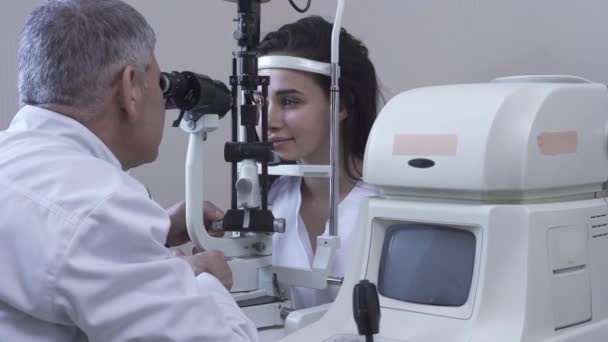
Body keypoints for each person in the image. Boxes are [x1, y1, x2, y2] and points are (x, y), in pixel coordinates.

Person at [0, 0, 257, 341]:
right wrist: (201, 280)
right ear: (130, 86)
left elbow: (55, 248)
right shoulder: (98, 206)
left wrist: (151, 239)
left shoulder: (17, 161)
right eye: (160, 83)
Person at [256, 16, 381, 309]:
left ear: (342, 104)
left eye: (289, 102)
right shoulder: (272, 201)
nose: (269, 122)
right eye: (260, 103)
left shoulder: (389, 201)